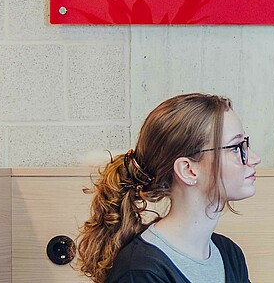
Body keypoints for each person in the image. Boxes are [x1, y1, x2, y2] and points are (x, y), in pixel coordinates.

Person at [73, 93, 261, 283]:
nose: (254, 159)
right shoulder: (139, 272)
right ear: (188, 170)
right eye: (236, 148)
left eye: (244, 144)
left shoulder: (230, 254)